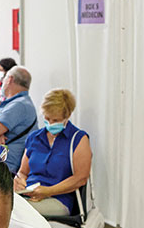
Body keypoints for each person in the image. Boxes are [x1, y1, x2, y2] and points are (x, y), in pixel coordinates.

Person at [15, 89, 92, 217]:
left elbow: (80, 178)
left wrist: (48, 191)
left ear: (67, 117)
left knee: (18, 213)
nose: (50, 124)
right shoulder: (34, 138)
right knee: (4, 207)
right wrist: (19, 181)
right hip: (29, 195)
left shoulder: (78, 139)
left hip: (59, 199)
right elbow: (23, 172)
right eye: (47, 118)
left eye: (55, 120)